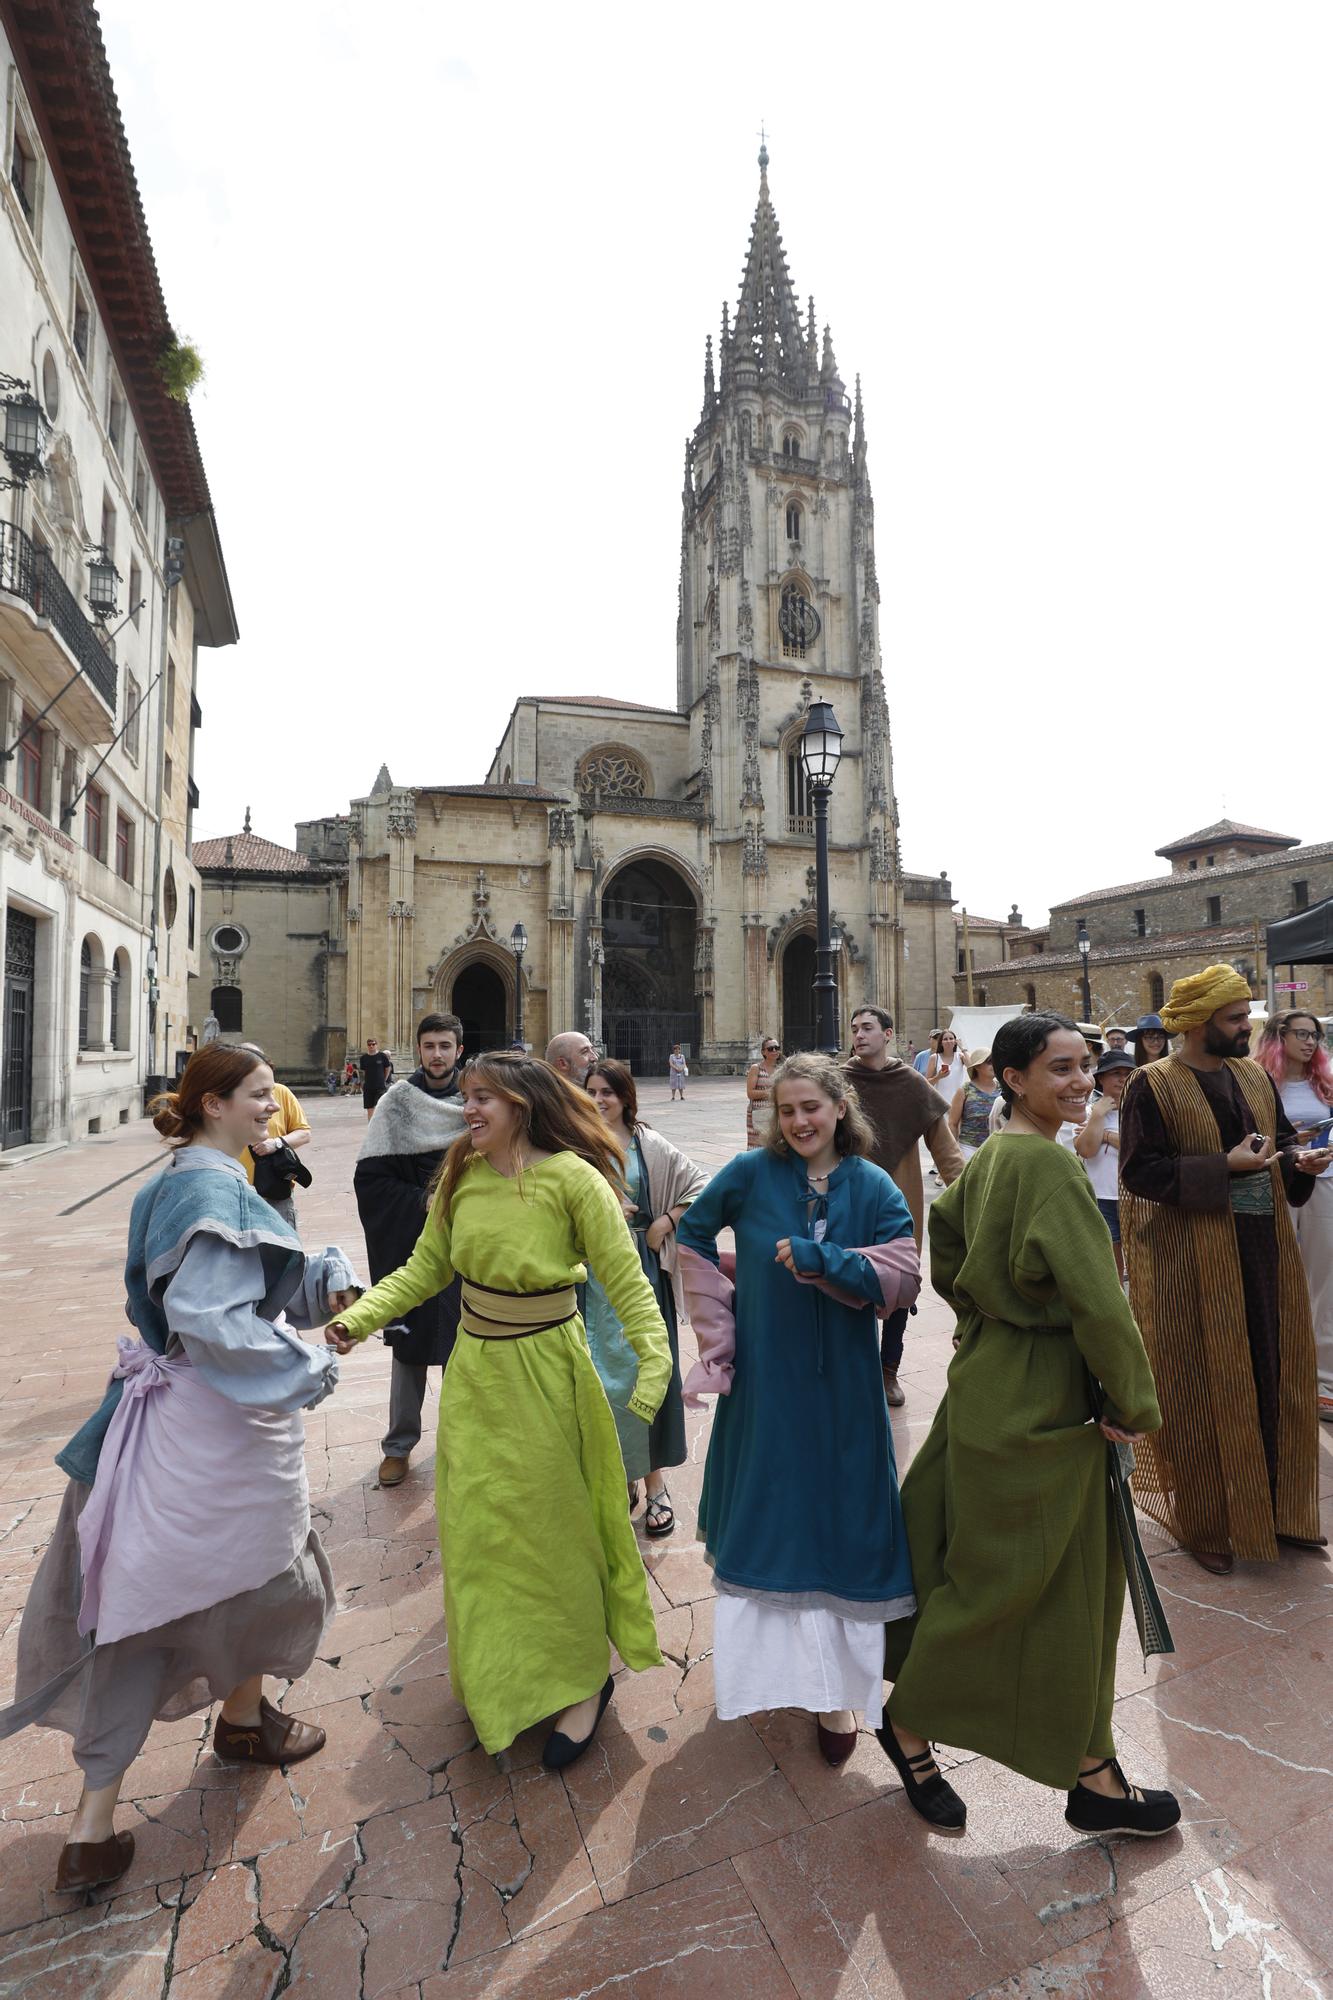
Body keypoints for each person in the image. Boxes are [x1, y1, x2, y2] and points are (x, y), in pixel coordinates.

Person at [0, 1046, 361, 1897]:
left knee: (157, 1597)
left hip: (181, 1421)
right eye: (260, 1097)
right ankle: (194, 1755)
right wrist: (308, 1370)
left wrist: (321, 1284)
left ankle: (129, 1803)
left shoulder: (195, 1181)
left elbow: (245, 1280)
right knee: (236, 1582)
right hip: (209, 1429)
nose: (274, 1110)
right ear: (211, 1105)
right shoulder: (204, 1188)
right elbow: (211, 1320)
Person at [326, 1054, 672, 1768]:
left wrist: (653, 1366)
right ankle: (498, 1675)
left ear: (522, 1103)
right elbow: (427, 1267)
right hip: (476, 1373)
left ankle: (582, 1681)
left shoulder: (575, 1180)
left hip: (549, 1375)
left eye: (482, 1098)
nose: (468, 1110)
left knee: (556, 1532)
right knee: (481, 1530)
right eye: (467, 1098)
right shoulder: (462, 1176)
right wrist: (361, 1317)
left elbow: (627, 1282)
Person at [882, 1013, 1180, 1839]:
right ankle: (911, 1722)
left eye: (1084, 1065)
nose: (1080, 1080)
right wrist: (1132, 1402)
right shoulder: (1047, 1168)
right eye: (1059, 1068)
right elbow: (1098, 1301)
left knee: (1058, 1581)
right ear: (1011, 1078)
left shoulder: (984, 1165)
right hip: (1043, 1396)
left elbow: (947, 1261)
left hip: (990, 1377)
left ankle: (1093, 1770)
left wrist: (994, 1324)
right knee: (1019, 1581)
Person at [678, 1054, 920, 1765]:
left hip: (844, 1386)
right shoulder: (750, 1174)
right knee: (773, 1515)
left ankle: (835, 1692)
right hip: (765, 1382)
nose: (799, 1122)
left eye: (810, 1107)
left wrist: (828, 1263)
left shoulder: (871, 1185)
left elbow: (903, 1276)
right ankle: (768, 1676)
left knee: (838, 1519)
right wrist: (720, 1330)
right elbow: (691, 1233)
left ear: (839, 1107)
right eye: (786, 1112)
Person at [1120, 965, 1327, 1574]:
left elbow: (1278, 1144)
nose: (1247, 1027)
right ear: (1200, 1022)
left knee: (1274, 1371)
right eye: (1236, 1018)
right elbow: (1139, 1171)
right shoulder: (1151, 1085)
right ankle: (1205, 1522)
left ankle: (1278, 1512)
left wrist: (1299, 1162)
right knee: (1197, 1383)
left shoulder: (1251, 1077)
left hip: (1263, 1254)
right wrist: (1224, 1166)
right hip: (1190, 1259)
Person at [585, 1059, 707, 1534]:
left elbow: (699, 1185)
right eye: (591, 1090)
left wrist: (665, 1221)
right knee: (597, 1378)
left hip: (640, 1270)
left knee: (646, 1372)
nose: (599, 1100)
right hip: (591, 1278)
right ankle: (617, 1475)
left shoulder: (647, 1143)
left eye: (607, 1091)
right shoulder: (574, 1143)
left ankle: (654, 1483)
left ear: (625, 1096)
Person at [355, 1013, 468, 1487]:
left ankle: (464, 1446)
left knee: (470, 1350)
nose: (437, 1055)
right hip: (414, 1243)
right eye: (429, 1046)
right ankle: (398, 1445)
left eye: (445, 1046)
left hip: (470, 1245)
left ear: (459, 1050)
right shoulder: (397, 1104)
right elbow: (371, 1179)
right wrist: (426, 1202)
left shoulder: (478, 1100)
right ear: (418, 1050)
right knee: (410, 1346)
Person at [845, 1005, 963, 1406]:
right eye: (855, 1028)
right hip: (848, 1199)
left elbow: (945, 1150)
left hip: (899, 1199)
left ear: (888, 1034)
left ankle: (888, 1369)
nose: (859, 1035)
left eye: (867, 1028)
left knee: (898, 1287)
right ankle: (854, 1367)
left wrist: (969, 1193)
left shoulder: (911, 1082)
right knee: (847, 1280)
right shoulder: (840, 1083)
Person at [1256, 1011, 1333, 1424]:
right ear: (1278, 1036)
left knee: (1326, 1281)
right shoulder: (1258, 1081)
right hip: (1278, 1181)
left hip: (1325, 1179)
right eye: (1302, 1034)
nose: (1310, 1043)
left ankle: (1324, 1383)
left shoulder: (1328, 1079)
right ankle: (1284, 1372)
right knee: (1280, 1275)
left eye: (1315, 1036)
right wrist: (1290, 1142)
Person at [1075, 1046, 1134, 1279]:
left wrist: (1106, 1135)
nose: (1122, 1079)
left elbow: (1137, 1147)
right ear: (1101, 1079)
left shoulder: (1139, 1109)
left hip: (1134, 1194)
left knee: (1139, 1256)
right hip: (1102, 1195)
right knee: (1111, 1258)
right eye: (1116, 1073)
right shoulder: (1091, 1111)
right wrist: (1098, 1117)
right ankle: (1119, 1304)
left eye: (1127, 1073)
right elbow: (1086, 1150)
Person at [239, 1043, 311, 1227]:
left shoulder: (281, 1093)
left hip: (273, 1187)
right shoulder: (228, 1097)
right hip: (237, 1189)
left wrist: (277, 1143)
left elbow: (303, 1133)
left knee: (283, 1248)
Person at [949, 1048, 1000, 1161]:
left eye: (995, 1061)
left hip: (997, 1149)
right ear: (977, 1066)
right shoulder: (965, 1090)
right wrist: (953, 1150)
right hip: (969, 1149)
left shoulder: (1003, 1089)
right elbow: (953, 1123)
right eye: (989, 1061)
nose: (994, 1065)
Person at [745, 1035, 781, 1148]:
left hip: (776, 1112)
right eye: (770, 1049)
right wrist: (771, 1092)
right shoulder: (756, 1068)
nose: (774, 1050)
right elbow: (750, 1093)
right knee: (757, 1145)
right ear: (763, 1052)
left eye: (777, 1047)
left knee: (775, 1144)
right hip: (758, 1113)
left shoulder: (782, 1068)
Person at [926, 1028, 965, 1107]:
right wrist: (938, 1077)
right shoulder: (934, 1058)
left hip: (959, 1102)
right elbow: (927, 1083)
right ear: (941, 1043)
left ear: (955, 1041)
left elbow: (971, 1065)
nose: (948, 1041)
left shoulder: (960, 1056)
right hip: (941, 1103)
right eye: (945, 1039)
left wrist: (963, 1048)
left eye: (951, 1038)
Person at [360, 1036, 393, 1121]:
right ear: (367, 1045)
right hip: (368, 1087)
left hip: (380, 1087)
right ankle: (371, 1128)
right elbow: (364, 1071)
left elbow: (387, 1068)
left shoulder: (382, 1056)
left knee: (379, 1108)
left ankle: (379, 1128)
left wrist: (384, 1079)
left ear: (376, 1045)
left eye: (373, 1044)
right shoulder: (363, 1058)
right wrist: (363, 1082)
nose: (371, 1046)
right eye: (369, 1044)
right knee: (370, 1109)